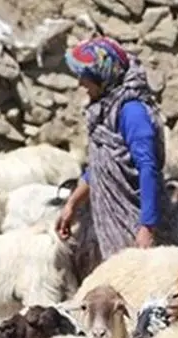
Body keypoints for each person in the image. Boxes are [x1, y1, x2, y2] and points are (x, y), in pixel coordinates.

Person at [55, 37, 169, 258]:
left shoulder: (132, 112)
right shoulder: (105, 110)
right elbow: (100, 168)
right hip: (114, 225)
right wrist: (72, 204)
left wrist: (147, 227)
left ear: (102, 76)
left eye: (85, 77)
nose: (80, 83)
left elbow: (147, 167)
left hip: (135, 223)